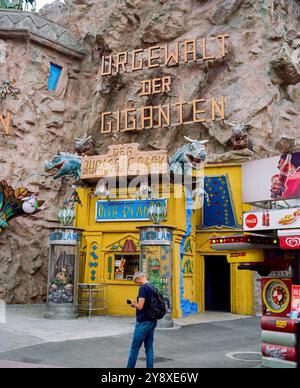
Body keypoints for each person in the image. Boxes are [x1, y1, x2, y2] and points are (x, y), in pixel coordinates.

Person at [126, 272, 157, 368]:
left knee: (134, 348)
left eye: (137, 282)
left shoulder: (143, 288)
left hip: (143, 322)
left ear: (140, 278)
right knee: (149, 348)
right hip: (152, 320)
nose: (137, 284)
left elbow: (140, 306)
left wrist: (133, 304)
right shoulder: (152, 286)